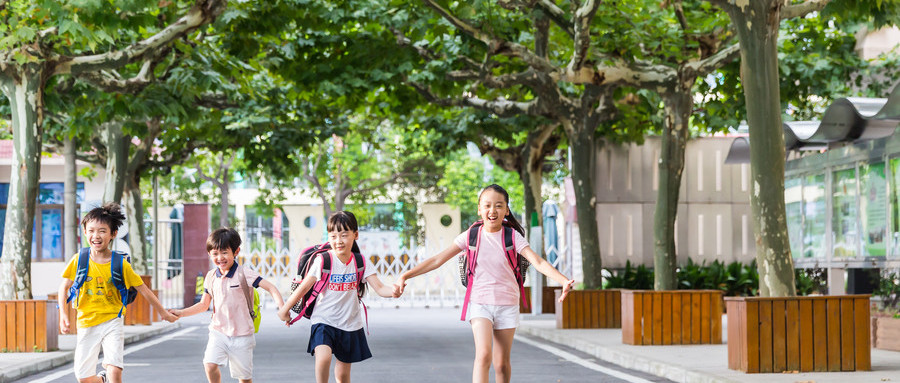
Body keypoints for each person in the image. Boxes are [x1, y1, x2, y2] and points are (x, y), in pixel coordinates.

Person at [392, 184, 575, 383]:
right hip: (480, 303)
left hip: (507, 304)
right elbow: (438, 259)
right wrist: (406, 275)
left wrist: (563, 280)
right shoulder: (471, 236)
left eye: (498, 206)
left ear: (506, 210)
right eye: (487, 205)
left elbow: (538, 261)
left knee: (501, 364)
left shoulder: (513, 237)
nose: (492, 211)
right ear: (479, 209)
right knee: (484, 355)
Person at [57, 203, 178, 383]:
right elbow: (63, 287)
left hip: (113, 321)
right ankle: (101, 379)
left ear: (113, 234)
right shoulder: (79, 260)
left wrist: (163, 313)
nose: (96, 236)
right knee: (83, 378)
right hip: (86, 322)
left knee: (115, 370)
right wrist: (63, 316)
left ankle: (109, 377)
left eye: (102, 231)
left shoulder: (120, 264)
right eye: (91, 230)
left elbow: (143, 289)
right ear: (84, 231)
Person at [277, 211, 395, 383]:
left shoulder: (360, 261)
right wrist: (285, 310)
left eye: (344, 235)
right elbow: (303, 288)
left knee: (343, 375)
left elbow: (380, 288)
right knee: (323, 358)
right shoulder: (323, 260)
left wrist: (395, 291)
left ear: (355, 235)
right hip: (324, 320)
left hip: (350, 323)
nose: (338, 241)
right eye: (333, 235)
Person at [167, 227, 284, 383]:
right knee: (209, 364)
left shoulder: (244, 273)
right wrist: (180, 313)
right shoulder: (210, 276)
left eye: (224, 252)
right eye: (215, 253)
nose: (220, 257)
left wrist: (282, 308)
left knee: (244, 379)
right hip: (218, 332)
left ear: (236, 252)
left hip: (242, 335)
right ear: (209, 254)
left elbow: (271, 287)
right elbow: (203, 305)